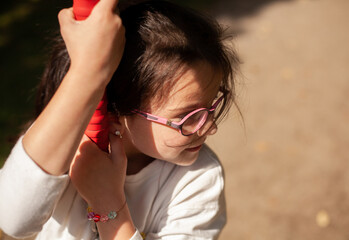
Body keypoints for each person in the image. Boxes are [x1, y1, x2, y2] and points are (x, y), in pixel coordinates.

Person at [0, 0, 239, 239]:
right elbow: (11, 219)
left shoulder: (199, 179)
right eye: (188, 116)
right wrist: (87, 70)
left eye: (212, 105)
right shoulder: (65, 137)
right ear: (116, 115)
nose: (211, 126)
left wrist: (107, 202)